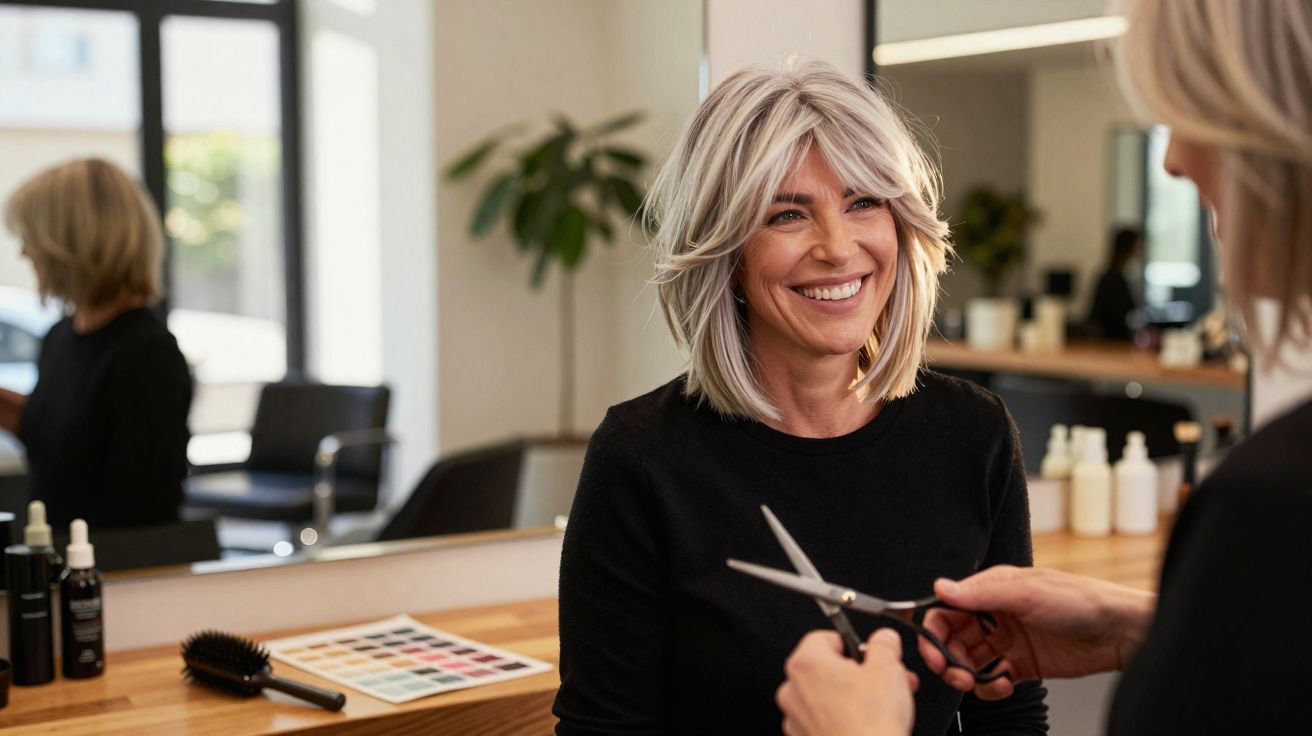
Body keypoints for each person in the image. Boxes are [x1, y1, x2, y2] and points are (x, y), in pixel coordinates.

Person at [776, 1, 1312, 734]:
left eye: (1189, 106)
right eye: (786, 214)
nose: (1171, 157)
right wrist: (1141, 629)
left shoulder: (1272, 508)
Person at [553, 60, 1048, 735]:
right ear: (726, 252)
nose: (838, 248)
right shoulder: (642, 461)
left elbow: (1008, 712)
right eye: (788, 214)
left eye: (863, 202)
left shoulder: (973, 433)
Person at [0, 158, 192, 529]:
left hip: (112, 572)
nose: (25, 253)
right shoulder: (60, 337)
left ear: (71, 245)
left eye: (32, 239)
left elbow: (142, 508)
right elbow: (59, 432)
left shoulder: (146, 357)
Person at [1086, 227, 1142, 340]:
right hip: (1112, 342)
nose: (1141, 249)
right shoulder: (1113, 279)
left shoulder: (1117, 276)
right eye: (1138, 245)